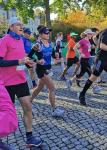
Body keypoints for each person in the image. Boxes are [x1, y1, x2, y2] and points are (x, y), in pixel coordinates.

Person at [0, 17, 42, 148]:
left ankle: (29, 137)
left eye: (22, 25)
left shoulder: (20, 40)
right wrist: (18, 62)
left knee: (28, 107)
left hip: (21, 80)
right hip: (6, 83)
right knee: (6, 113)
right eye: (18, 24)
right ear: (11, 26)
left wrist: (30, 59)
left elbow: (23, 59)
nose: (21, 26)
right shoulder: (4, 40)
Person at [28, 26, 64, 117]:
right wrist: (37, 61)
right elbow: (29, 57)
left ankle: (29, 101)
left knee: (39, 88)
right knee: (52, 88)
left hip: (49, 68)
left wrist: (55, 56)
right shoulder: (37, 45)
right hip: (41, 69)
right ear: (40, 34)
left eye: (48, 33)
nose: (48, 34)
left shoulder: (50, 43)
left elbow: (52, 55)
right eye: (46, 33)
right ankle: (54, 110)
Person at [78, 28, 107, 106]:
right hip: (101, 60)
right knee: (93, 77)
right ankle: (82, 94)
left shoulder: (102, 31)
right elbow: (102, 45)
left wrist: (97, 45)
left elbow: (94, 37)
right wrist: (98, 47)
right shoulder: (105, 31)